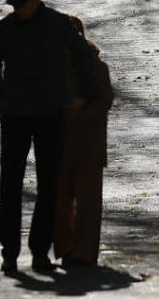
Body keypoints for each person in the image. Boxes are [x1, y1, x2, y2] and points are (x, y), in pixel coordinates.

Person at [0, 0, 94, 275]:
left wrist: (81, 96)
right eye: (14, 5)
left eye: (22, 5)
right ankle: (9, 252)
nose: (18, 10)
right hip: (15, 115)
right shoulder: (4, 29)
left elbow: (86, 55)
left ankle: (40, 252)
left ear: (35, 0)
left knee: (48, 185)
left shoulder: (57, 24)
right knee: (10, 185)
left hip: (49, 114)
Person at [55, 16, 113, 268]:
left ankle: (85, 251)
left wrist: (82, 114)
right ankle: (66, 247)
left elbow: (104, 101)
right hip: (57, 143)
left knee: (88, 203)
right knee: (59, 201)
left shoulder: (96, 66)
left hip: (88, 144)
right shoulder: (49, 67)